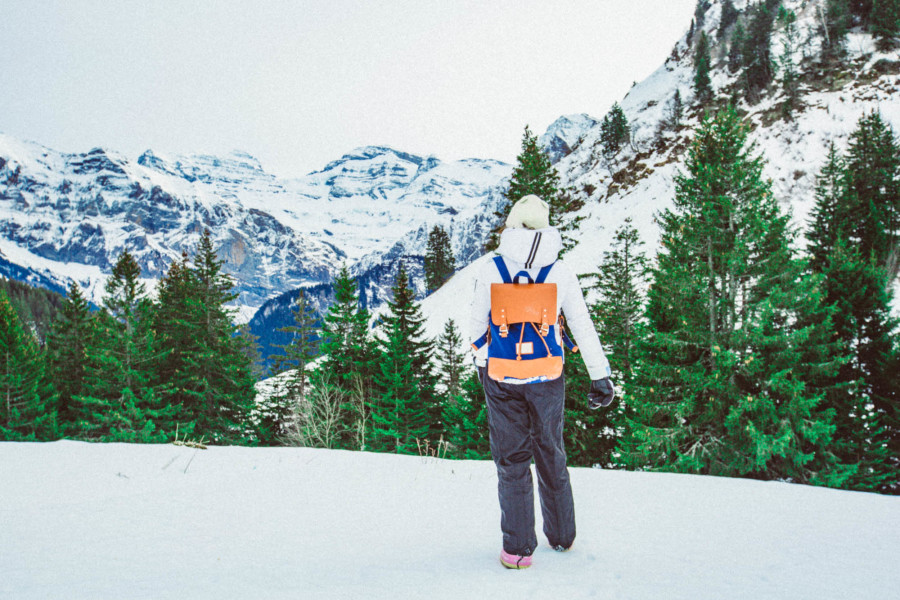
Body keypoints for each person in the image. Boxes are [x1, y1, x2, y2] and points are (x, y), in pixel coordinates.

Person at [469, 194, 615, 570]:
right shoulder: (560, 271)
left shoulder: (491, 268)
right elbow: (582, 324)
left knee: (512, 458)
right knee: (551, 448)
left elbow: (476, 326)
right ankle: (562, 537)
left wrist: (483, 365)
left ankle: (517, 550)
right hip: (549, 374)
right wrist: (600, 376)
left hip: (502, 374)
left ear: (513, 224)